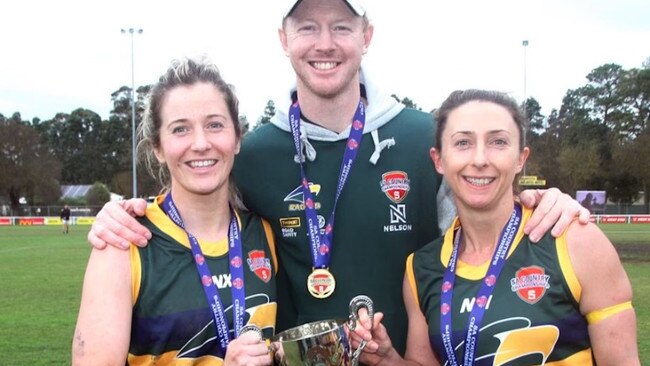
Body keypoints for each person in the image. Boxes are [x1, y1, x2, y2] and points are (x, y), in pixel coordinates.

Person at [86, 0, 590, 356]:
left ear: (366, 36)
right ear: (283, 39)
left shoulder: (423, 140)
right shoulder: (253, 151)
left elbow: (491, 223)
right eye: (306, 26)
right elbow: (193, 202)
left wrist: (544, 201)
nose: (324, 44)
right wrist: (122, 213)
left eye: (342, 26)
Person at [353, 90, 639, 365]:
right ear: (439, 160)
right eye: (463, 142)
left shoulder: (575, 239)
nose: (480, 159)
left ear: (520, 159)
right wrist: (387, 360)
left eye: (498, 142)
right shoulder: (421, 269)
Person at [72, 57, 277, 365]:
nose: (200, 143)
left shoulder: (264, 233)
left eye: (215, 125)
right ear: (157, 147)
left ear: (237, 138)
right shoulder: (123, 242)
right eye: (180, 129)